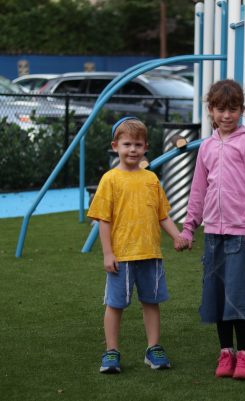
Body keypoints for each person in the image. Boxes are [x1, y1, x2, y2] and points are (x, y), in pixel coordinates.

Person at [179, 79, 245, 380]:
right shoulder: (206, 146)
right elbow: (198, 190)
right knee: (217, 295)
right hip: (213, 235)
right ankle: (225, 353)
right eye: (220, 109)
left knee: (239, 295)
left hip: (242, 234)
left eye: (233, 109)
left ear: (242, 110)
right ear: (211, 111)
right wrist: (189, 227)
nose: (227, 115)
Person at [87, 116, 186, 374]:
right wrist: (108, 253)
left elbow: (162, 215)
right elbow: (103, 220)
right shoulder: (110, 179)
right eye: (127, 144)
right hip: (121, 256)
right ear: (115, 145)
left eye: (138, 145)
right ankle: (111, 352)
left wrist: (176, 236)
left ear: (145, 148)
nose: (132, 149)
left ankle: (153, 348)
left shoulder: (151, 179)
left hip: (150, 254)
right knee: (115, 304)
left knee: (151, 302)